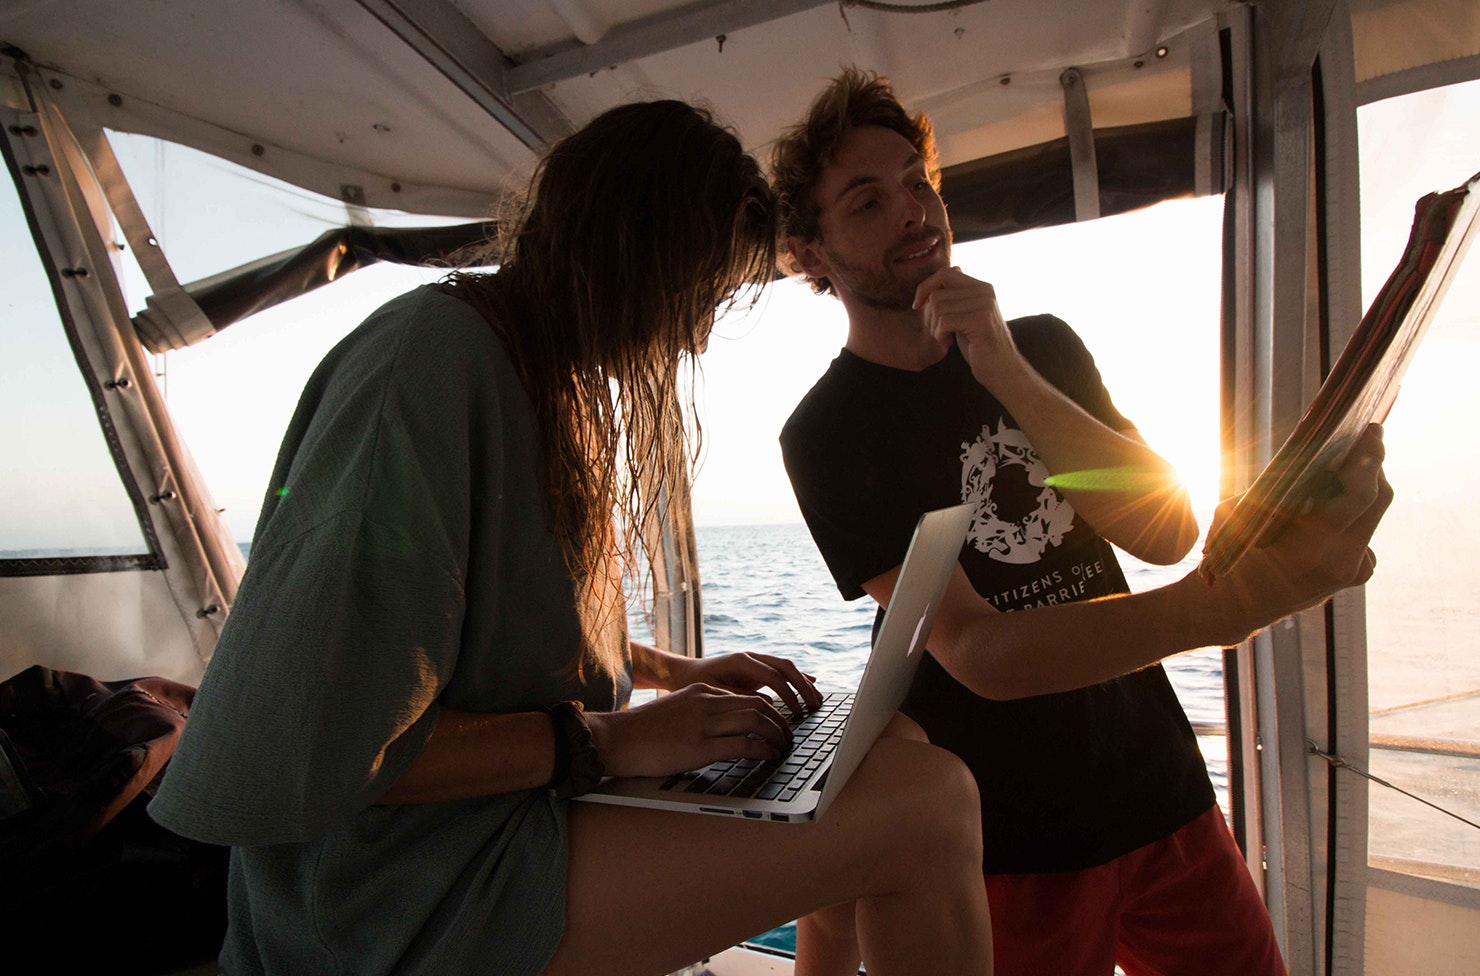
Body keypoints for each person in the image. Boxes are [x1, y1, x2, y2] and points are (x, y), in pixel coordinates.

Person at [147, 99, 994, 976]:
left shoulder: (546, 379)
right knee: (928, 809)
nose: (696, 334)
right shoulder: (426, 366)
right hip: (392, 896)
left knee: (890, 749)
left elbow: (473, 627)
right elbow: (322, 739)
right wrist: (610, 739)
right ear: (634, 256)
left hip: (519, 805)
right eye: (699, 297)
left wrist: (674, 672)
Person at [770, 69, 1392, 976]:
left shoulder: (1043, 346)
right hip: (1009, 835)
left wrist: (1010, 375)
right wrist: (1221, 610)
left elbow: (1165, 530)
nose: (912, 212)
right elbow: (979, 652)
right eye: (868, 201)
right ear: (812, 253)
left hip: (1157, 786)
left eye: (917, 182)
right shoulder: (826, 433)